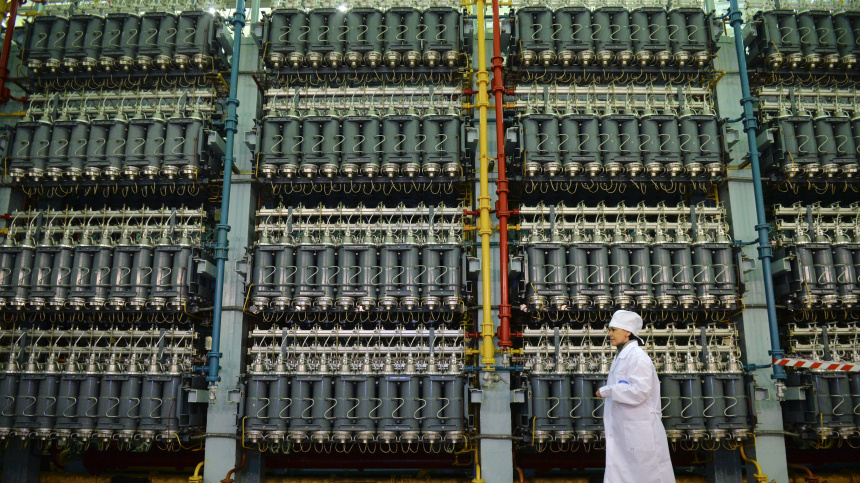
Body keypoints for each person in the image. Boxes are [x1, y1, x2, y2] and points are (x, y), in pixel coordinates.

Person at [595, 310, 674, 483]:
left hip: (640, 431)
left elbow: (640, 391)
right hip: (629, 430)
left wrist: (608, 391)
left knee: (647, 475)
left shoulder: (637, 357)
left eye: (613, 330)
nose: (609, 334)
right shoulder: (622, 356)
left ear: (627, 331)